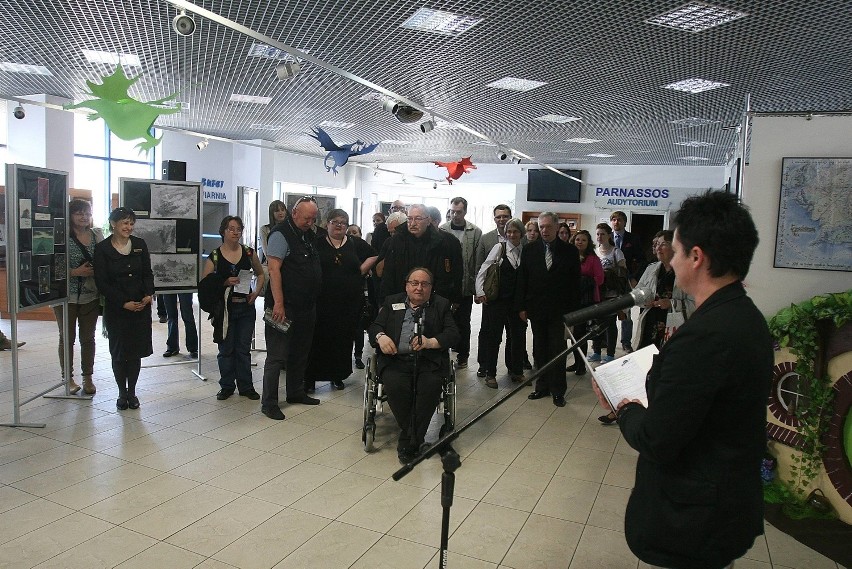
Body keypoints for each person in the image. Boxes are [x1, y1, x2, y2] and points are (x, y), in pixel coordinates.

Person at [614, 190, 772, 569]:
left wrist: (626, 408)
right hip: (722, 500)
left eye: (677, 250)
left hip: (696, 515)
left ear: (696, 257)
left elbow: (658, 439)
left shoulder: (705, 336)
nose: (672, 258)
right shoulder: (742, 314)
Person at [368, 268, 460, 464]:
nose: (419, 288)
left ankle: (408, 441)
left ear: (431, 288)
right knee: (396, 387)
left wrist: (430, 342)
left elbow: (453, 334)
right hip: (396, 361)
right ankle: (416, 439)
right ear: (406, 285)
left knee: (429, 389)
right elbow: (375, 326)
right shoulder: (392, 301)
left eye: (424, 284)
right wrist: (380, 336)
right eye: (414, 283)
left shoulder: (441, 305)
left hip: (428, 362)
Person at [261, 196, 322, 420]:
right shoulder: (280, 234)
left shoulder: (307, 234)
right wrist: (278, 303)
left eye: (313, 218)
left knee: (300, 351)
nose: (310, 222)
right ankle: (269, 403)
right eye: (307, 218)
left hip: (306, 306)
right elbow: (274, 270)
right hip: (283, 307)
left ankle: (295, 392)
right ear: (294, 213)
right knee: (277, 356)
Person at [305, 210, 377, 391]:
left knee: (342, 339)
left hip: (348, 303)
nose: (339, 225)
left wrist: (361, 270)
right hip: (322, 301)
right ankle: (311, 378)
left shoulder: (355, 243)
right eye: (334, 222)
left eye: (343, 223)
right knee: (317, 339)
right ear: (326, 224)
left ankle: (337, 375)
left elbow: (375, 255)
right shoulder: (317, 243)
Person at [516, 212, 580, 407]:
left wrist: (573, 312)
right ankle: (541, 386)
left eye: (547, 227)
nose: (544, 230)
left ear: (556, 226)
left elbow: (575, 283)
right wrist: (521, 306)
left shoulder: (569, 251)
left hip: (560, 310)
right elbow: (523, 280)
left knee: (557, 350)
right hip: (536, 308)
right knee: (539, 349)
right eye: (541, 227)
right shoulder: (529, 250)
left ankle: (558, 390)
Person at [94, 207, 154, 411]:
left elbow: (147, 272)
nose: (128, 227)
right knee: (120, 352)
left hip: (140, 306)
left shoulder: (139, 244)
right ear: (113, 224)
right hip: (117, 309)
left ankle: (132, 392)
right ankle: (121, 392)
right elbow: (102, 282)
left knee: (135, 352)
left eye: (131, 223)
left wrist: (148, 293)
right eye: (124, 223)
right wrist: (122, 302)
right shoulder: (102, 248)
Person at [202, 215, 264, 401]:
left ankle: (246, 386)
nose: (235, 232)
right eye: (231, 228)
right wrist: (224, 281)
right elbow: (205, 283)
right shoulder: (215, 255)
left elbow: (261, 274)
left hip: (245, 307)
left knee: (243, 349)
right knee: (226, 349)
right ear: (223, 231)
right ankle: (227, 386)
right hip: (225, 310)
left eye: (238, 229)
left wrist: (256, 293)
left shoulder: (248, 253)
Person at [54, 199, 101, 394]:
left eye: (87, 213)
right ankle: (68, 378)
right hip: (66, 296)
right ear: (71, 215)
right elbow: (53, 266)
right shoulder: (62, 236)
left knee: (88, 338)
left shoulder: (96, 235)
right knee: (67, 337)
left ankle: (87, 376)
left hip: (91, 295)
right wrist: (75, 272)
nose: (84, 217)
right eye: (79, 213)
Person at [474, 218, 526, 388]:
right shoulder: (499, 248)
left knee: (517, 338)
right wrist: (480, 291)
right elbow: (484, 268)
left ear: (521, 233)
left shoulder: (524, 250)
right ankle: (490, 373)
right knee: (493, 338)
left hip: (517, 303)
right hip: (497, 301)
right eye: (509, 231)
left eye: (515, 231)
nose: (512, 234)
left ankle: (516, 371)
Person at [379, 204, 462, 307]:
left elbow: (456, 273)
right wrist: (383, 303)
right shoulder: (397, 241)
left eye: (418, 219)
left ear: (428, 220)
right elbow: (388, 273)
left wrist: (455, 299)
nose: (413, 223)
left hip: (434, 299)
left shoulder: (446, 242)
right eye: (409, 219)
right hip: (401, 297)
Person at [439, 197, 482, 369]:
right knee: (442, 321)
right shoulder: (442, 230)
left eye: (459, 212)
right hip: (444, 287)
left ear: (465, 211)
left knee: (463, 323)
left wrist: (477, 288)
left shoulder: (475, 232)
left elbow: (477, 262)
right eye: (452, 211)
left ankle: (463, 355)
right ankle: (442, 354)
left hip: (465, 286)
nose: (455, 215)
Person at [474, 204, 515, 378]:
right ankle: (484, 365)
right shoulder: (486, 238)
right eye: (498, 217)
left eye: (505, 216)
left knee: (512, 333)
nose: (502, 219)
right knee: (487, 332)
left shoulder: (518, 237)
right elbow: (479, 265)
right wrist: (478, 291)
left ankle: (513, 366)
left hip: (511, 295)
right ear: (494, 218)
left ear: (510, 217)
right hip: (491, 295)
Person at [567, 229, 604, 377]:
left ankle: (581, 365)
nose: (580, 242)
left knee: (580, 333)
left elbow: (600, 278)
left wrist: (584, 282)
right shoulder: (569, 257)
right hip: (571, 300)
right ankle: (577, 362)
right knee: (573, 334)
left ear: (588, 243)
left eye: (583, 240)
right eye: (577, 239)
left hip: (586, 300)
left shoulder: (593, 259)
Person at [588, 222, 627, 364]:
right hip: (598, 294)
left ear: (609, 235)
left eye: (602, 234)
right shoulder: (594, 252)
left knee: (610, 324)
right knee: (596, 324)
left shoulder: (616, 252)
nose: (599, 237)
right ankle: (597, 352)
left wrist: (608, 274)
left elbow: (623, 273)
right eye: (597, 234)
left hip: (612, 294)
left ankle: (610, 353)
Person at [610, 211, 643, 353]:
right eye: (614, 220)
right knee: (608, 312)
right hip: (609, 282)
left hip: (626, 280)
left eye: (619, 220)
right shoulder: (607, 237)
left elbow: (642, 260)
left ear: (624, 222)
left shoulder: (633, 238)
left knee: (626, 312)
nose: (616, 222)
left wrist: (634, 277)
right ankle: (606, 340)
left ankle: (626, 342)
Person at [348, 223, 372, 370]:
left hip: (360, 295)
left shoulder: (364, 253)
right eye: (349, 232)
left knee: (358, 328)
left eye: (355, 232)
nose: (351, 234)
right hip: (344, 297)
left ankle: (358, 356)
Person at [161, 293, 198, 358]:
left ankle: (193, 348)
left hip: (184, 285)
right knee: (171, 317)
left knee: (188, 316)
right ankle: (172, 347)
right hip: (167, 286)